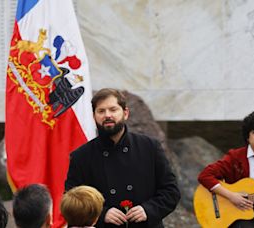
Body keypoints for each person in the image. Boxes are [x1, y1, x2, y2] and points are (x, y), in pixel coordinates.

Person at [65, 88, 180, 228]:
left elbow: (171, 191)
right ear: (94, 116)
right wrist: (102, 214)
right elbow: (73, 201)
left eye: (113, 110)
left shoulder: (150, 147)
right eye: (101, 111)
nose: (107, 115)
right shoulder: (81, 156)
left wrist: (148, 210)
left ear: (125, 113)